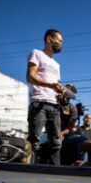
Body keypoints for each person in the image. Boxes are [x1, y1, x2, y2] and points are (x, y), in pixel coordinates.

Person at [26, 29, 65, 165]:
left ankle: (56, 173)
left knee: (56, 142)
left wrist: (60, 92)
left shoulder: (57, 64)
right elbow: (30, 76)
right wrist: (51, 85)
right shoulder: (36, 53)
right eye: (59, 41)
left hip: (54, 105)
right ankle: (29, 174)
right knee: (34, 142)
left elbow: (55, 84)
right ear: (49, 39)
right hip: (39, 103)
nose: (60, 44)